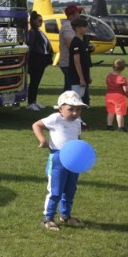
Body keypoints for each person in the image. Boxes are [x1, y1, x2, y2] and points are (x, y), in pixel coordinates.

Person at [32, 91, 87, 231]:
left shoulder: (77, 122)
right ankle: (48, 218)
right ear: (61, 108)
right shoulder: (55, 118)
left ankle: (65, 216)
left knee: (70, 189)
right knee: (55, 190)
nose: (75, 113)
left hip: (73, 160)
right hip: (58, 159)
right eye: (71, 109)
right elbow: (36, 125)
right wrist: (43, 140)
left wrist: (81, 153)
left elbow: (77, 139)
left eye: (78, 109)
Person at [26, 11, 54, 110]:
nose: (41, 22)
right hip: (36, 60)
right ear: (33, 21)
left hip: (42, 60)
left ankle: (34, 101)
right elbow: (30, 47)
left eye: (42, 21)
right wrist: (28, 62)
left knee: (36, 82)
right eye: (39, 21)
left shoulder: (39, 32)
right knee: (34, 82)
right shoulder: (32, 32)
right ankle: (30, 103)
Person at [57, 4, 83, 90]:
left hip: (68, 62)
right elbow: (71, 45)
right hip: (69, 63)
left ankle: (65, 102)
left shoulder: (69, 26)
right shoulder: (68, 27)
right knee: (71, 89)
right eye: (78, 13)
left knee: (69, 87)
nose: (79, 15)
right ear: (74, 14)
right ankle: (66, 103)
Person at [67, 16, 92, 105]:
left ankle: (77, 115)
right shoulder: (75, 42)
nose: (86, 29)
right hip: (76, 75)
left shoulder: (84, 40)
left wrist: (87, 76)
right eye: (85, 27)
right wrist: (81, 78)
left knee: (80, 96)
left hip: (84, 72)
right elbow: (76, 61)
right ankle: (73, 116)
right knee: (76, 97)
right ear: (78, 28)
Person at [105, 58, 127, 131]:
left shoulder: (109, 76)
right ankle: (121, 127)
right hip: (119, 97)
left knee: (110, 112)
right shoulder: (122, 78)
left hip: (109, 96)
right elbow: (125, 89)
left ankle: (109, 125)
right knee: (119, 112)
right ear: (123, 68)